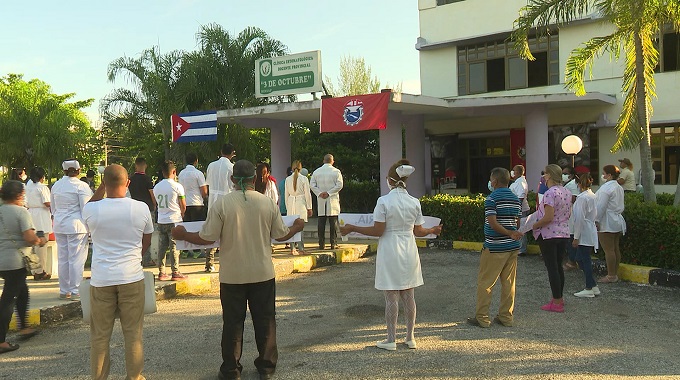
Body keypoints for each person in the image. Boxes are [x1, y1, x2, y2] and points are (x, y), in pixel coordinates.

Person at [171, 159, 304, 380]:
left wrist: (183, 235)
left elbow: (207, 237)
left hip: (232, 275)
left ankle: (232, 370)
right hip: (262, 273)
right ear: (255, 179)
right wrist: (297, 226)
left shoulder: (222, 205)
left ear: (232, 180)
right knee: (265, 320)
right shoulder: (267, 203)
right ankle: (267, 367)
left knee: (233, 323)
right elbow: (281, 235)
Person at [340, 160, 442, 349]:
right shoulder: (414, 201)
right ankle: (410, 337)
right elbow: (418, 231)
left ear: (390, 180)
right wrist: (432, 230)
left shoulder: (384, 201)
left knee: (391, 296)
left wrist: (353, 228)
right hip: (409, 249)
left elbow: (378, 230)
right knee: (409, 295)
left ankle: (391, 339)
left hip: (390, 248)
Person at [83, 164, 153, 380]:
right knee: (133, 334)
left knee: (100, 336)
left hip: (101, 279)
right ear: (128, 183)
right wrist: (135, 256)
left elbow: (89, 206)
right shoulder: (140, 208)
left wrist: (101, 188)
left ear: (104, 184)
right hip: (131, 276)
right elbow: (147, 240)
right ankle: (135, 377)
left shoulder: (92, 209)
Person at [467, 168, 521, 328]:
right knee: (509, 283)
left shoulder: (491, 199)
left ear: (495, 181)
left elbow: (492, 222)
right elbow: (517, 222)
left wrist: (508, 232)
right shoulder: (515, 198)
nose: (490, 182)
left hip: (495, 246)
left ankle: (482, 318)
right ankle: (506, 317)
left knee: (486, 282)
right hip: (512, 248)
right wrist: (512, 233)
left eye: (491, 179)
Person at [0, 180, 47, 354]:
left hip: (2, 260)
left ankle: (24, 326)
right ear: (19, 195)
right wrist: (40, 240)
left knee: (22, 292)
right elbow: (29, 237)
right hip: (15, 261)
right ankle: (1, 341)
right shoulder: (21, 212)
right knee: (7, 300)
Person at [531, 164, 572, 313]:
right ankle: (559, 298)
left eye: (544, 174)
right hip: (563, 232)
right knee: (558, 266)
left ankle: (556, 301)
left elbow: (548, 217)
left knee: (552, 268)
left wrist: (534, 225)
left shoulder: (550, 193)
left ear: (548, 175)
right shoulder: (567, 191)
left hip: (549, 234)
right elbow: (568, 213)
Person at [51, 159, 93, 301]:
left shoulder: (56, 185)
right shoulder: (82, 186)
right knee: (76, 259)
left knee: (63, 259)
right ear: (79, 170)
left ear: (64, 171)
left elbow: (53, 208)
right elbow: (86, 209)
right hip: (77, 226)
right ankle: (75, 290)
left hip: (59, 225)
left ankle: (64, 290)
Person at [153, 161, 187, 281]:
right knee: (174, 246)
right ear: (174, 171)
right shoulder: (177, 186)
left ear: (162, 172)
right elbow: (183, 205)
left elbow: (155, 203)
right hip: (174, 220)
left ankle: (161, 272)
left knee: (162, 247)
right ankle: (175, 272)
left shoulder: (156, 187)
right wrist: (182, 214)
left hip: (161, 219)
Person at [178, 152, 211, 268]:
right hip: (197, 203)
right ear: (196, 161)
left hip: (185, 203)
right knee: (197, 227)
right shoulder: (198, 173)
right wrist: (204, 197)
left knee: (187, 226)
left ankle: (185, 251)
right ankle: (197, 251)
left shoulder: (181, 174)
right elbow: (204, 191)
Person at [571, 173, 600, 298]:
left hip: (584, 231)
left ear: (579, 184)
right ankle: (593, 285)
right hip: (589, 228)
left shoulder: (582, 198)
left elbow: (579, 219)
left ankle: (589, 286)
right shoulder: (592, 195)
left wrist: (576, 237)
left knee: (585, 259)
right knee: (580, 258)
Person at [596, 165, 626, 283]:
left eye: (604, 173)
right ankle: (614, 273)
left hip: (607, 221)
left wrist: (596, 220)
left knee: (609, 250)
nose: (602, 176)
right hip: (616, 220)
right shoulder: (618, 187)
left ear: (609, 175)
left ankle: (611, 275)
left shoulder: (606, 188)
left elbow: (601, 206)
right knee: (615, 248)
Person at [310, 154, 344, 250]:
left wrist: (319, 193)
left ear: (323, 160)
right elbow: (340, 185)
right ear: (332, 161)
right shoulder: (336, 171)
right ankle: (333, 243)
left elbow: (312, 185)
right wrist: (329, 193)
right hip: (332, 199)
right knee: (333, 222)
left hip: (321, 199)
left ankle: (321, 243)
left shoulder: (316, 172)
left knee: (321, 222)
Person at [128, 157, 157, 268]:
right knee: (147, 234)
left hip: (134, 209)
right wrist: (155, 204)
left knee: (136, 235)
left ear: (135, 165)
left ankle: (136, 258)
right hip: (147, 208)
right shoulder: (147, 179)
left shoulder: (131, 179)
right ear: (145, 166)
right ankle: (146, 259)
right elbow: (151, 194)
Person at [25, 167, 52, 280]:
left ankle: (35, 270)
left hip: (31, 213)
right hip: (41, 215)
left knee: (33, 245)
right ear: (42, 177)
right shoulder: (42, 187)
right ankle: (41, 271)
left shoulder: (28, 186)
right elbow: (47, 202)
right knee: (41, 244)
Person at [284, 161, 312, 255]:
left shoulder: (287, 179)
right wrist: (309, 207)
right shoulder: (304, 179)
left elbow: (286, 195)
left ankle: (292, 248)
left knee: (291, 226)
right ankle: (301, 248)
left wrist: (288, 206)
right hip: (300, 203)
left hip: (291, 202)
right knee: (300, 227)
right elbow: (308, 194)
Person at [206, 143, 236, 209]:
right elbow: (234, 186)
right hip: (227, 201)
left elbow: (207, 184)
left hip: (212, 200)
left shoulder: (211, 165)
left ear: (221, 151)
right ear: (232, 153)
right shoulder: (232, 167)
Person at [562, 166, 580, 271]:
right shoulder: (570, 184)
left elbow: (574, 198)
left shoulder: (572, 185)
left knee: (571, 240)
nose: (563, 175)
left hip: (573, 216)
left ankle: (572, 261)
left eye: (565, 173)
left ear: (571, 175)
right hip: (570, 216)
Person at [509, 165, 529, 256]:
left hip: (521, 209)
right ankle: (519, 247)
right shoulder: (517, 182)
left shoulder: (521, 182)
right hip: (519, 209)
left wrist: (517, 209)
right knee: (519, 228)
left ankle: (522, 249)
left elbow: (520, 197)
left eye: (514, 170)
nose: (512, 172)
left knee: (521, 229)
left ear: (518, 172)